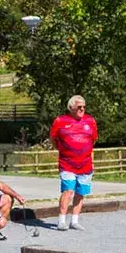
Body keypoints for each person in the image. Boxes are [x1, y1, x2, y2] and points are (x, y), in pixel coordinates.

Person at [50, 95, 96, 231]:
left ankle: (74, 220)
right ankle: (61, 220)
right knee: (68, 190)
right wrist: (62, 149)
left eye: (84, 107)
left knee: (80, 192)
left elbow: (93, 139)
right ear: (71, 108)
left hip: (85, 164)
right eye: (79, 107)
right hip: (67, 164)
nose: (82, 109)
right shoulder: (60, 121)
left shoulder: (90, 121)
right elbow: (53, 139)